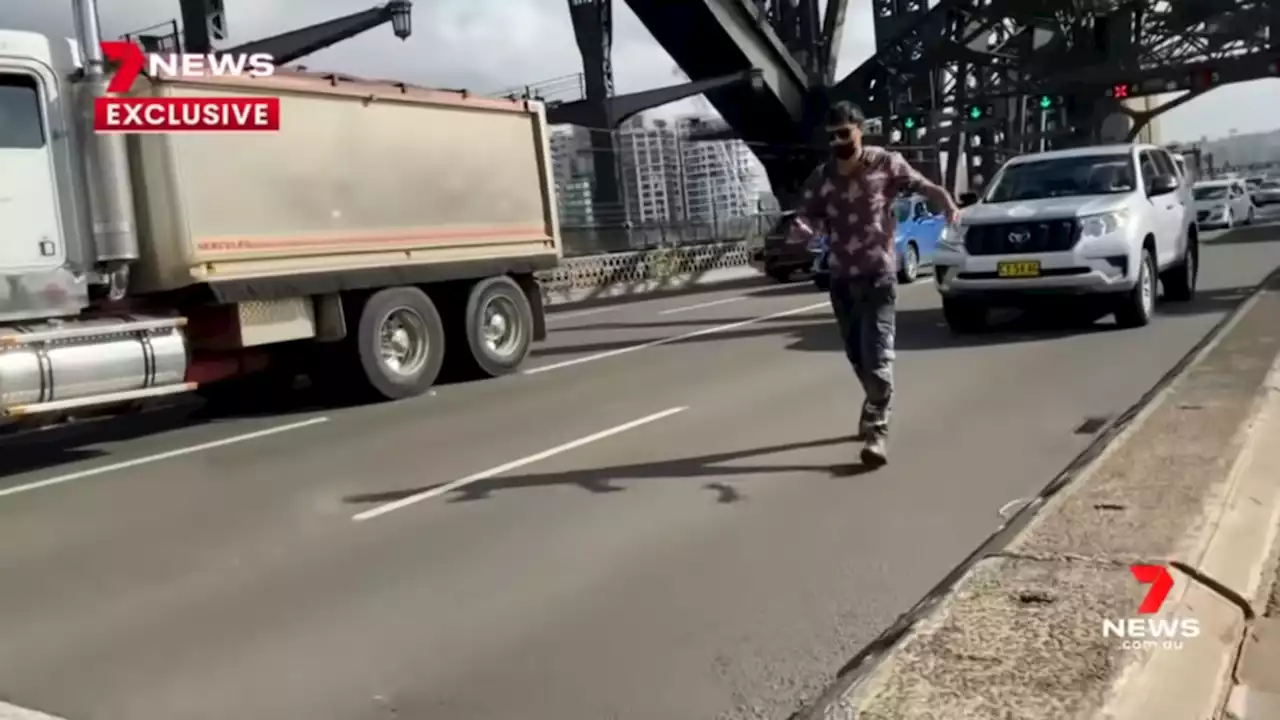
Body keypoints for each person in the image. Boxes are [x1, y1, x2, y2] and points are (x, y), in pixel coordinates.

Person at [788, 101, 960, 467]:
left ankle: (877, 433)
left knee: (878, 356)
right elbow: (809, 217)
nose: (838, 142)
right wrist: (801, 233)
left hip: (879, 274)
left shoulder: (885, 163)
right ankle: (873, 406)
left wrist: (946, 202)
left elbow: (923, 184)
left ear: (860, 130)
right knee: (857, 356)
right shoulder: (822, 177)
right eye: (831, 136)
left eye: (844, 134)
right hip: (841, 278)